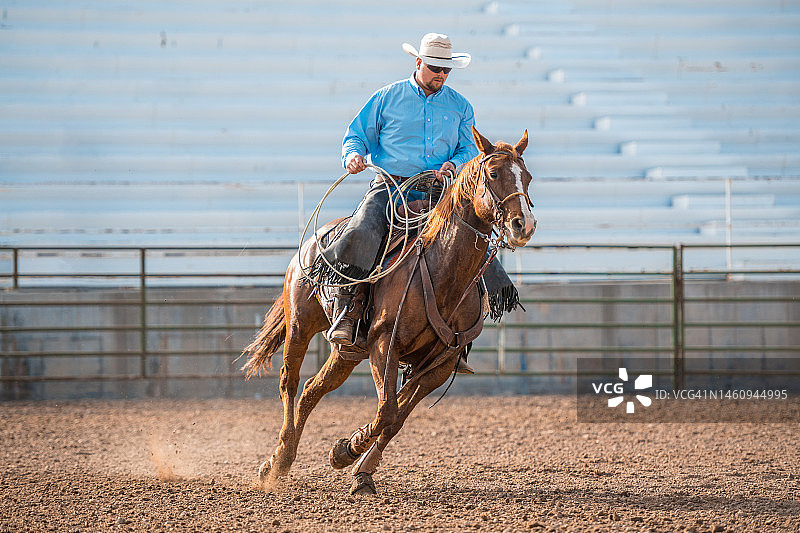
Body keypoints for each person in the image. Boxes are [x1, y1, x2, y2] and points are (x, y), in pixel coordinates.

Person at [316, 33, 517, 362]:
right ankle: (349, 310)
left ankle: (458, 333)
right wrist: (352, 156)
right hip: (389, 185)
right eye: (436, 68)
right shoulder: (387, 97)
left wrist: (455, 163)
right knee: (362, 232)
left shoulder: (460, 106)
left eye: (446, 70)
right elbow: (356, 135)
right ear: (419, 63)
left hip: (440, 188)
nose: (441, 75)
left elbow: (468, 148)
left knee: (471, 244)